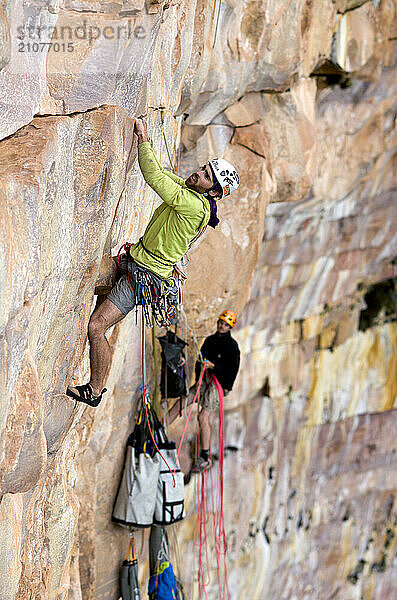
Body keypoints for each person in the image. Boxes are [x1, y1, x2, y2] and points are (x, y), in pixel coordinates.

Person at [67, 118, 239, 406]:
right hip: (137, 262)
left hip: (143, 277)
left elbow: (154, 177)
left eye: (206, 176)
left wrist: (142, 136)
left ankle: (94, 391)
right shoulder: (192, 194)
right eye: (203, 168)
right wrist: (149, 145)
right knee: (93, 291)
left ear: (213, 192)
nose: (198, 173)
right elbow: (165, 173)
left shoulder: (194, 206)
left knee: (96, 326)